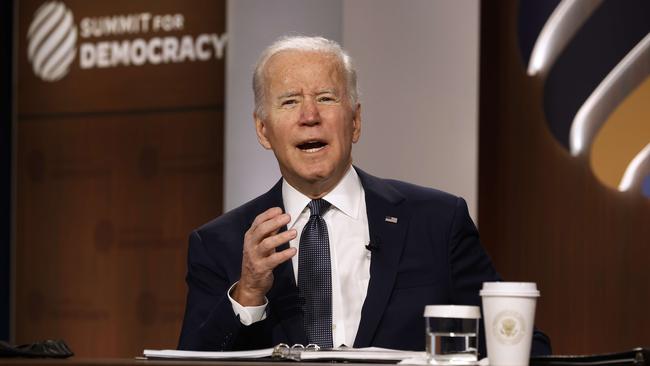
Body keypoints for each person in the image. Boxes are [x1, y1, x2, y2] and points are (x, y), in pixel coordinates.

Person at [178, 35, 551, 355]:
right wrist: (247, 295)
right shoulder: (219, 244)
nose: (310, 115)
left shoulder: (437, 221)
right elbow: (189, 362)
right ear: (263, 130)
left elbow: (519, 345)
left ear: (355, 121)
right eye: (289, 101)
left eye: (326, 98)